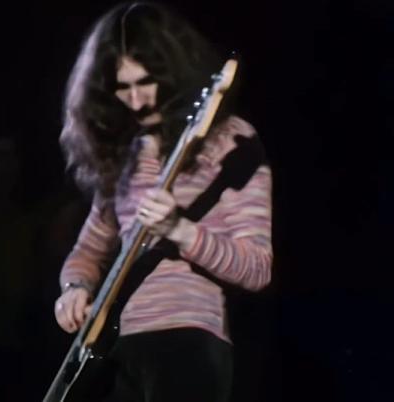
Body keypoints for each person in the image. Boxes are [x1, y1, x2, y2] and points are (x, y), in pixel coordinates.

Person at [53, 2, 273, 401]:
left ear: (172, 72)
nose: (137, 100)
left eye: (146, 82)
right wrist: (74, 288)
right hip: (117, 351)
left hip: (190, 341)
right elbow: (87, 252)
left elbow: (258, 268)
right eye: (123, 87)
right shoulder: (124, 158)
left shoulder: (230, 141)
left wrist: (181, 230)